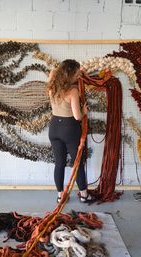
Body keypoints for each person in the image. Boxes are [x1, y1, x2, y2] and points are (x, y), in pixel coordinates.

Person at [47, 59, 94, 203]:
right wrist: (84, 111)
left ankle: (60, 195)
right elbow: (77, 116)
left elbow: (52, 72)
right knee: (77, 162)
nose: (79, 76)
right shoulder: (73, 91)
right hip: (69, 128)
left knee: (59, 163)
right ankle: (84, 195)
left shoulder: (52, 86)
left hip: (54, 127)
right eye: (77, 73)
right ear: (70, 74)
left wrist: (60, 70)